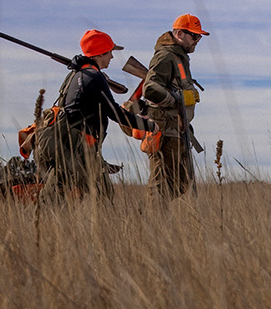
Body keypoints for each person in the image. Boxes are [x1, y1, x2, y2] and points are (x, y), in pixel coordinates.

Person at [47, 28, 134, 197]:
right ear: (100, 53)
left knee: (57, 194)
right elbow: (114, 111)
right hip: (81, 146)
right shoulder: (92, 76)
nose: (112, 57)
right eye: (109, 53)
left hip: (72, 144)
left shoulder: (78, 75)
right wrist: (147, 125)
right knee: (103, 196)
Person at [139, 13, 207, 198]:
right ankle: (150, 222)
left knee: (181, 181)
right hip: (165, 131)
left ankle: (154, 220)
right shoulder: (166, 56)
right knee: (161, 185)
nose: (197, 40)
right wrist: (177, 100)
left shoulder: (180, 58)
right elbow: (150, 89)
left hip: (177, 130)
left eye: (198, 36)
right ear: (179, 34)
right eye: (194, 35)